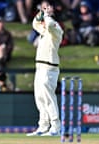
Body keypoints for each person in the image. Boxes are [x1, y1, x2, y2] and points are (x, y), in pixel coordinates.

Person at [26, 0, 63, 136]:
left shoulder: (56, 29)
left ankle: (56, 127)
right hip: (40, 67)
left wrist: (46, 15)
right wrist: (41, 12)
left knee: (48, 98)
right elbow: (35, 23)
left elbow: (50, 25)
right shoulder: (43, 30)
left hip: (49, 68)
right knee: (40, 98)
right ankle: (43, 126)